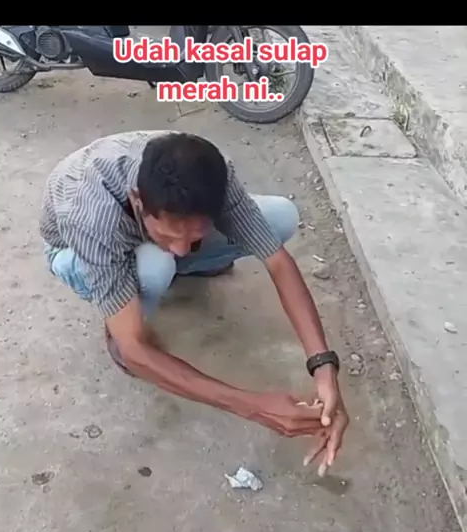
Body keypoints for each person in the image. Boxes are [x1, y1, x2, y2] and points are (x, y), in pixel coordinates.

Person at [40, 130, 349, 474]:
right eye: (169, 234)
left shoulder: (212, 172)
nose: (182, 248)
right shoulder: (90, 215)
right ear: (138, 200)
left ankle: (178, 259)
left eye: (195, 237)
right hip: (73, 250)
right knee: (156, 269)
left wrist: (324, 367)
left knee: (281, 217)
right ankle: (120, 314)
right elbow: (135, 351)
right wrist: (253, 406)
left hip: (138, 226)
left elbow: (277, 262)